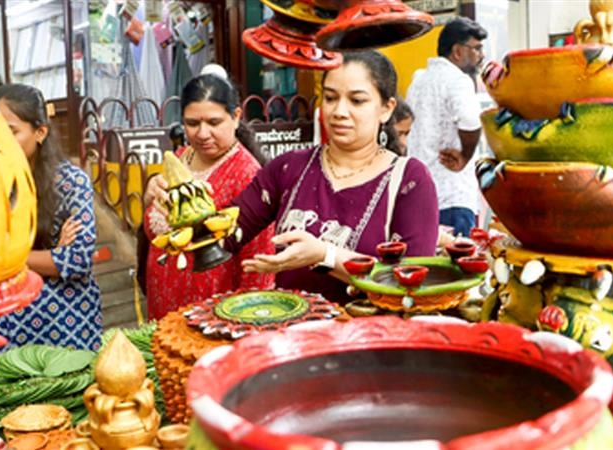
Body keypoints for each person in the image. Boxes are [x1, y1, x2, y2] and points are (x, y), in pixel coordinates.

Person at [226, 50, 439, 305]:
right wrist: (179, 201)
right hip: (294, 338)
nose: (339, 111)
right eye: (330, 97)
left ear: (386, 109)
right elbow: (226, 234)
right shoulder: (289, 168)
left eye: (357, 101)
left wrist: (326, 255)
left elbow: (412, 285)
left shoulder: (410, 180)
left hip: (370, 340)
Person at [0, 84, 101, 364]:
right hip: (3, 328)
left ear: (40, 132)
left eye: (10, 131)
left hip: (64, 325)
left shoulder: (71, 182)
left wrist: (7, 259)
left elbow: (77, 260)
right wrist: (50, 257)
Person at [141, 74, 275, 320]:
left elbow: (258, 267)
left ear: (235, 117)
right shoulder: (180, 158)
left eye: (214, 122)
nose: (202, 133)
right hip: (163, 300)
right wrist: (149, 197)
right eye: (192, 123)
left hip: (213, 312)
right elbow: (155, 229)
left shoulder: (247, 175)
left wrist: (246, 324)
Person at [406, 17, 487, 238]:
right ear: (458, 51)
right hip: (452, 196)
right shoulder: (458, 80)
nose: (481, 56)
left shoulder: (419, 79)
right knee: (458, 268)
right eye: (477, 48)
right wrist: (465, 156)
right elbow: (471, 122)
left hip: (419, 195)